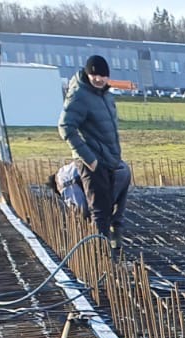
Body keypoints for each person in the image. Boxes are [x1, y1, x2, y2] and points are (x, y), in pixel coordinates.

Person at [57, 53, 127, 253]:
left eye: (103, 75)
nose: (99, 79)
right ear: (87, 74)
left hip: (109, 160)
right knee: (99, 211)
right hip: (93, 162)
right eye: (94, 75)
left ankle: (112, 250)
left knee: (108, 207)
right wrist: (89, 159)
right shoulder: (79, 95)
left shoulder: (105, 95)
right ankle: (101, 255)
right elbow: (65, 127)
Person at [48, 159, 131, 217]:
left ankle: (104, 237)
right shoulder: (65, 170)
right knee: (116, 214)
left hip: (113, 174)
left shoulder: (63, 184)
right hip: (122, 167)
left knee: (101, 214)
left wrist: (81, 217)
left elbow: (81, 207)